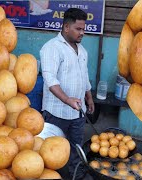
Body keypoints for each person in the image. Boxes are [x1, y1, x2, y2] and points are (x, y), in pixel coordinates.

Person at [40, 8, 94, 179]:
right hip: (56, 113)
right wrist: (67, 99)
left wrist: (89, 98)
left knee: (76, 148)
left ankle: (75, 176)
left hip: (77, 112)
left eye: (83, 29)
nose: (82, 33)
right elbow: (50, 79)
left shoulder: (82, 51)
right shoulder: (51, 48)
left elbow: (84, 77)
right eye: (78, 29)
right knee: (51, 151)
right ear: (66, 27)